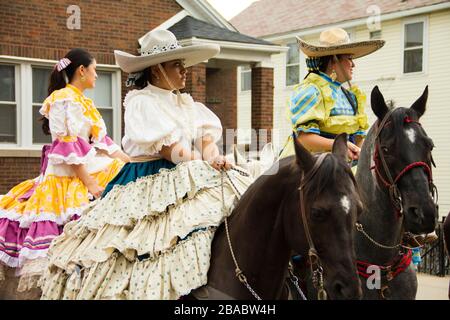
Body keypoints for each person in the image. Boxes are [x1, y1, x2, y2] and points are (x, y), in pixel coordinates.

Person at [40, 30, 253, 300]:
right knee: (144, 246)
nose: (184, 70)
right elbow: (170, 151)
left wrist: (213, 156)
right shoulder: (141, 102)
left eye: (183, 64)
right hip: (149, 178)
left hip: (186, 171)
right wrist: (204, 162)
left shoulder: (186, 102)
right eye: (176, 65)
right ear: (156, 70)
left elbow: (204, 138)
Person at [0, 48, 128, 292]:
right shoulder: (63, 98)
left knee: (121, 171)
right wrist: (89, 182)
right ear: (82, 71)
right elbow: (66, 144)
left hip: (87, 166)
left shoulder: (84, 101)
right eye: (95, 70)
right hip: (68, 175)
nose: (97, 76)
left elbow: (105, 144)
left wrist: (133, 162)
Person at [278, 28, 385, 163]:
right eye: (349, 58)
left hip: (344, 165)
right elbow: (304, 139)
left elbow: (358, 139)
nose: (353, 64)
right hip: (310, 165)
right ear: (334, 60)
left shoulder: (351, 96)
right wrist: (340, 145)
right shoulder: (312, 91)